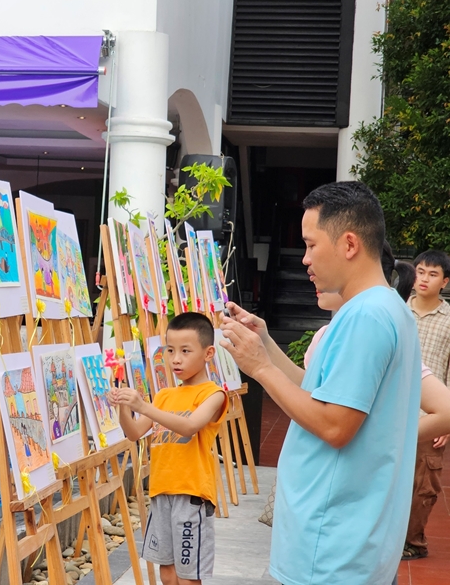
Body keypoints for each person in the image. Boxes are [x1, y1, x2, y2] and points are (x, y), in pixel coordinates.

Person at [221, 181, 421, 585]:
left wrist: (261, 368)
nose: (305, 259)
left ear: (349, 244)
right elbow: (320, 393)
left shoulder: (365, 316)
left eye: (311, 244)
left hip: (331, 548)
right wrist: (266, 345)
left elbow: (334, 425)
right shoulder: (383, 309)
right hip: (347, 540)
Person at [109, 312, 227, 585]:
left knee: (188, 577)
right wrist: (124, 406)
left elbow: (189, 427)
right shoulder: (164, 395)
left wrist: (143, 406)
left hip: (191, 494)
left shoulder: (214, 394)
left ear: (208, 353)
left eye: (185, 351)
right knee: (168, 574)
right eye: (170, 350)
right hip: (161, 491)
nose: (175, 359)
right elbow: (134, 433)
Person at [403, 249, 450, 560]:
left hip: (432, 416)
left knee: (424, 484)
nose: (424, 279)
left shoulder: (449, 321)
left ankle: (413, 542)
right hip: (394, 410)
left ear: (444, 282)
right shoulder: (397, 311)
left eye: (433, 274)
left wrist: (448, 423)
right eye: (420, 271)